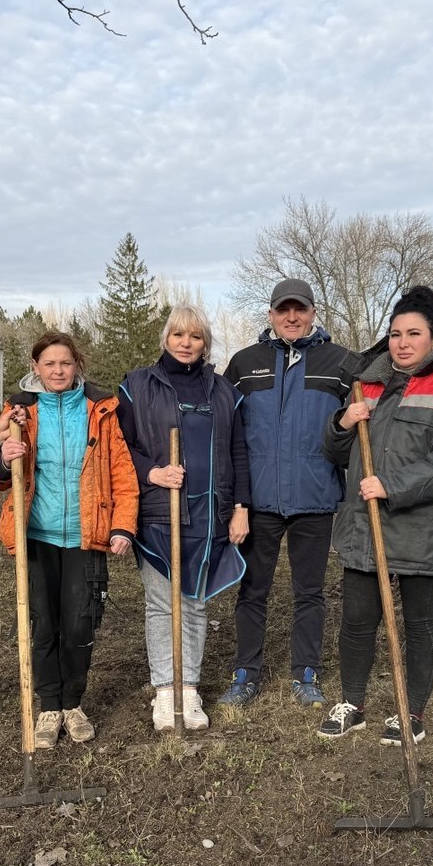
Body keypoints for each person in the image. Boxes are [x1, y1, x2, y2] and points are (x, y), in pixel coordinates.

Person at [316, 285, 433, 746]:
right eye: (395, 333)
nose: (403, 342)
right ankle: (352, 703)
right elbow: (335, 453)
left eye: (414, 333)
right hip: (363, 526)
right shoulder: (366, 385)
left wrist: (393, 486)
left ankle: (411, 712)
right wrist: (342, 424)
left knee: (420, 620)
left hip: (424, 528)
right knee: (356, 618)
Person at [0, 332, 139, 749]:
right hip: (35, 536)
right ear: (35, 366)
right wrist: (3, 460)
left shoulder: (100, 412)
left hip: (86, 536)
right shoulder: (21, 412)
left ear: (77, 367)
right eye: (49, 363)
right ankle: (49, 705)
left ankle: (73, 702)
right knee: (43, 623)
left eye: (65, 363)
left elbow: (123, 473)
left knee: (80, 622)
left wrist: (122, 526)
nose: (57, 370)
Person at [219, 277, 357, 709]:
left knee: (310, 591)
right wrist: (234, 500)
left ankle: (306, 672)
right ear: (272, 314)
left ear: (314, 312)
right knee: (252, 589)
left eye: (300, 309)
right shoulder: (245, 364)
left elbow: (363, 422)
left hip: (314, 498)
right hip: (258, 501)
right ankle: (246, 672)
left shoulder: (341, 363)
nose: (292, 317)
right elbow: (226, 430)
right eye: (283, 310)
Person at [117, 305, 251, 731]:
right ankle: (164, 691)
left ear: (204, 342)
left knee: (195, 601)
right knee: (161, 603)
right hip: (159, 512)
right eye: (178, 335)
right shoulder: (137, 386)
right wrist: (152, 472)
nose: (186, 343)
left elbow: (239, 453)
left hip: (209, 513)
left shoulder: (224, 392)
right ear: (165, 338)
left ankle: (188, 689)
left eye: (194, 336)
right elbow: (119, 449)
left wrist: (240, 508)